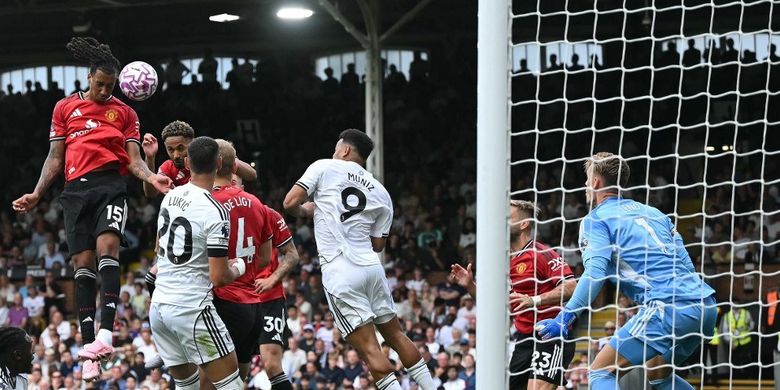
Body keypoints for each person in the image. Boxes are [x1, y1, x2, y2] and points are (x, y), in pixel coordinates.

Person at [11, 37, 172, 381]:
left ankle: (106, 334)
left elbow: (132, 160)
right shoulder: (64, 108)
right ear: (88, 78)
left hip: (110, 187)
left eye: (110, 86)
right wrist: (38, 193)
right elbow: (55, 158)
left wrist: (151, 176)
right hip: (74, 192)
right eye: (100, 84)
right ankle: (90, 352)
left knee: (107, 251)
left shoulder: (126, 113)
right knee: (82, 267)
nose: (104, 90)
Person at [536, 152, 717, 390]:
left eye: (586, 179)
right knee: (658, 376)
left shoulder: (596, 220)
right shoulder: (655, 213)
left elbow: (595, 273)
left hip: (667, 307)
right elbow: (686, 262)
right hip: (705, 305)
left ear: (595, 182)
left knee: (601, 372)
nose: (585, 185)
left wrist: (567, 316)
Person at [283, 129, 436, 390]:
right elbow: (378, 244)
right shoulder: (381, 192)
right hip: (372, 268)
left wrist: (305, 210)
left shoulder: (324, 166)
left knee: (369, 349)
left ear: (344, 150)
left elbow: (290, 203)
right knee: (397, 335)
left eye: (336, 148)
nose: (334, 152)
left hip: (340, 270)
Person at [149, 136, 246, 389]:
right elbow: (219, 277)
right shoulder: (215, 211)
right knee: (232, 385)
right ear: (220, 163)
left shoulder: (171, 196)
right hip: (191, 310)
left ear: (188, 163)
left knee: (187, 387)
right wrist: (239, 266)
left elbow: (159, 247)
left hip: (159, 309)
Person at [450, 200, 577, 389]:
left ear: (524, 224)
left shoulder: (541, 253)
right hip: (524, 339)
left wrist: (534, 300)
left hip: (550, 333)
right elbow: (492, 305)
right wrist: (470, 286)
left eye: (508, 217)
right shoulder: (501, 261)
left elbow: (572, 286)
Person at [140, 120, 257, 294]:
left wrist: (229, 158)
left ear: (192, 144)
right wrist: (150, 158)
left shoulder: (208, 157)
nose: (176, 155)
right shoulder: (168, 168)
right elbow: (150, 193)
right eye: (170, 150)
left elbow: (252, 175)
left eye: (181, 148)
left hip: (212, 224)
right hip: (186, 231)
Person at [210, 140, 277, 382]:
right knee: (239, 379)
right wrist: (243, 270)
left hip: (223, 302)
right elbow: (265, 259)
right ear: (234, 167)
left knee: (209, 382)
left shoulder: (209, 203)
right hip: (252, 307)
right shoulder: (257, 203)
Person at [251, 200, 301, 390]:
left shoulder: (268, 213)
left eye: (235, 179)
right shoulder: (216, 210)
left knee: (272, 365)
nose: (231, 182)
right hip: (236, 298)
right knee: (235, 368)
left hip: (269, 299)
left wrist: (272, 279)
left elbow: (292, 255)